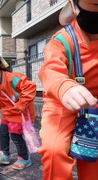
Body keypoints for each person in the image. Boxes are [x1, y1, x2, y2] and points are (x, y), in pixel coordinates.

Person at [38, 0, 98, 179]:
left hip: (94, 107)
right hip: (61, 102)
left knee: (92, 159)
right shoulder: (62, 39)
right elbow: (49, 70)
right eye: (95, 4)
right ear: (74, 5)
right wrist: (64, 87)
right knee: (54, 152)